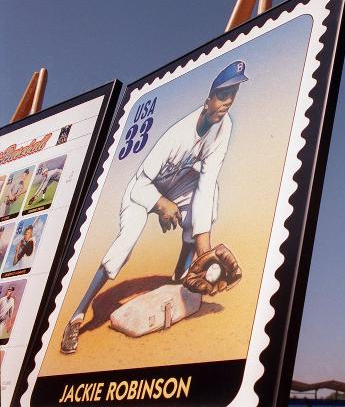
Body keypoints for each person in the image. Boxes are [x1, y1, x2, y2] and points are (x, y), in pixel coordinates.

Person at [60, 61, 248, 354]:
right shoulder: (177, 135)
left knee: (207, 193)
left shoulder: (225, 128)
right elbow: (139, 186)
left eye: (232, 95)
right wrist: (161, 204)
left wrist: (206, 254)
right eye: (222, 95)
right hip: (144, 190)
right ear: (208, 98)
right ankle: (78, 315)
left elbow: (208, 182)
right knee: (125, 244)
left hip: (175, 185)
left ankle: (183, 271)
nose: (227, 102)